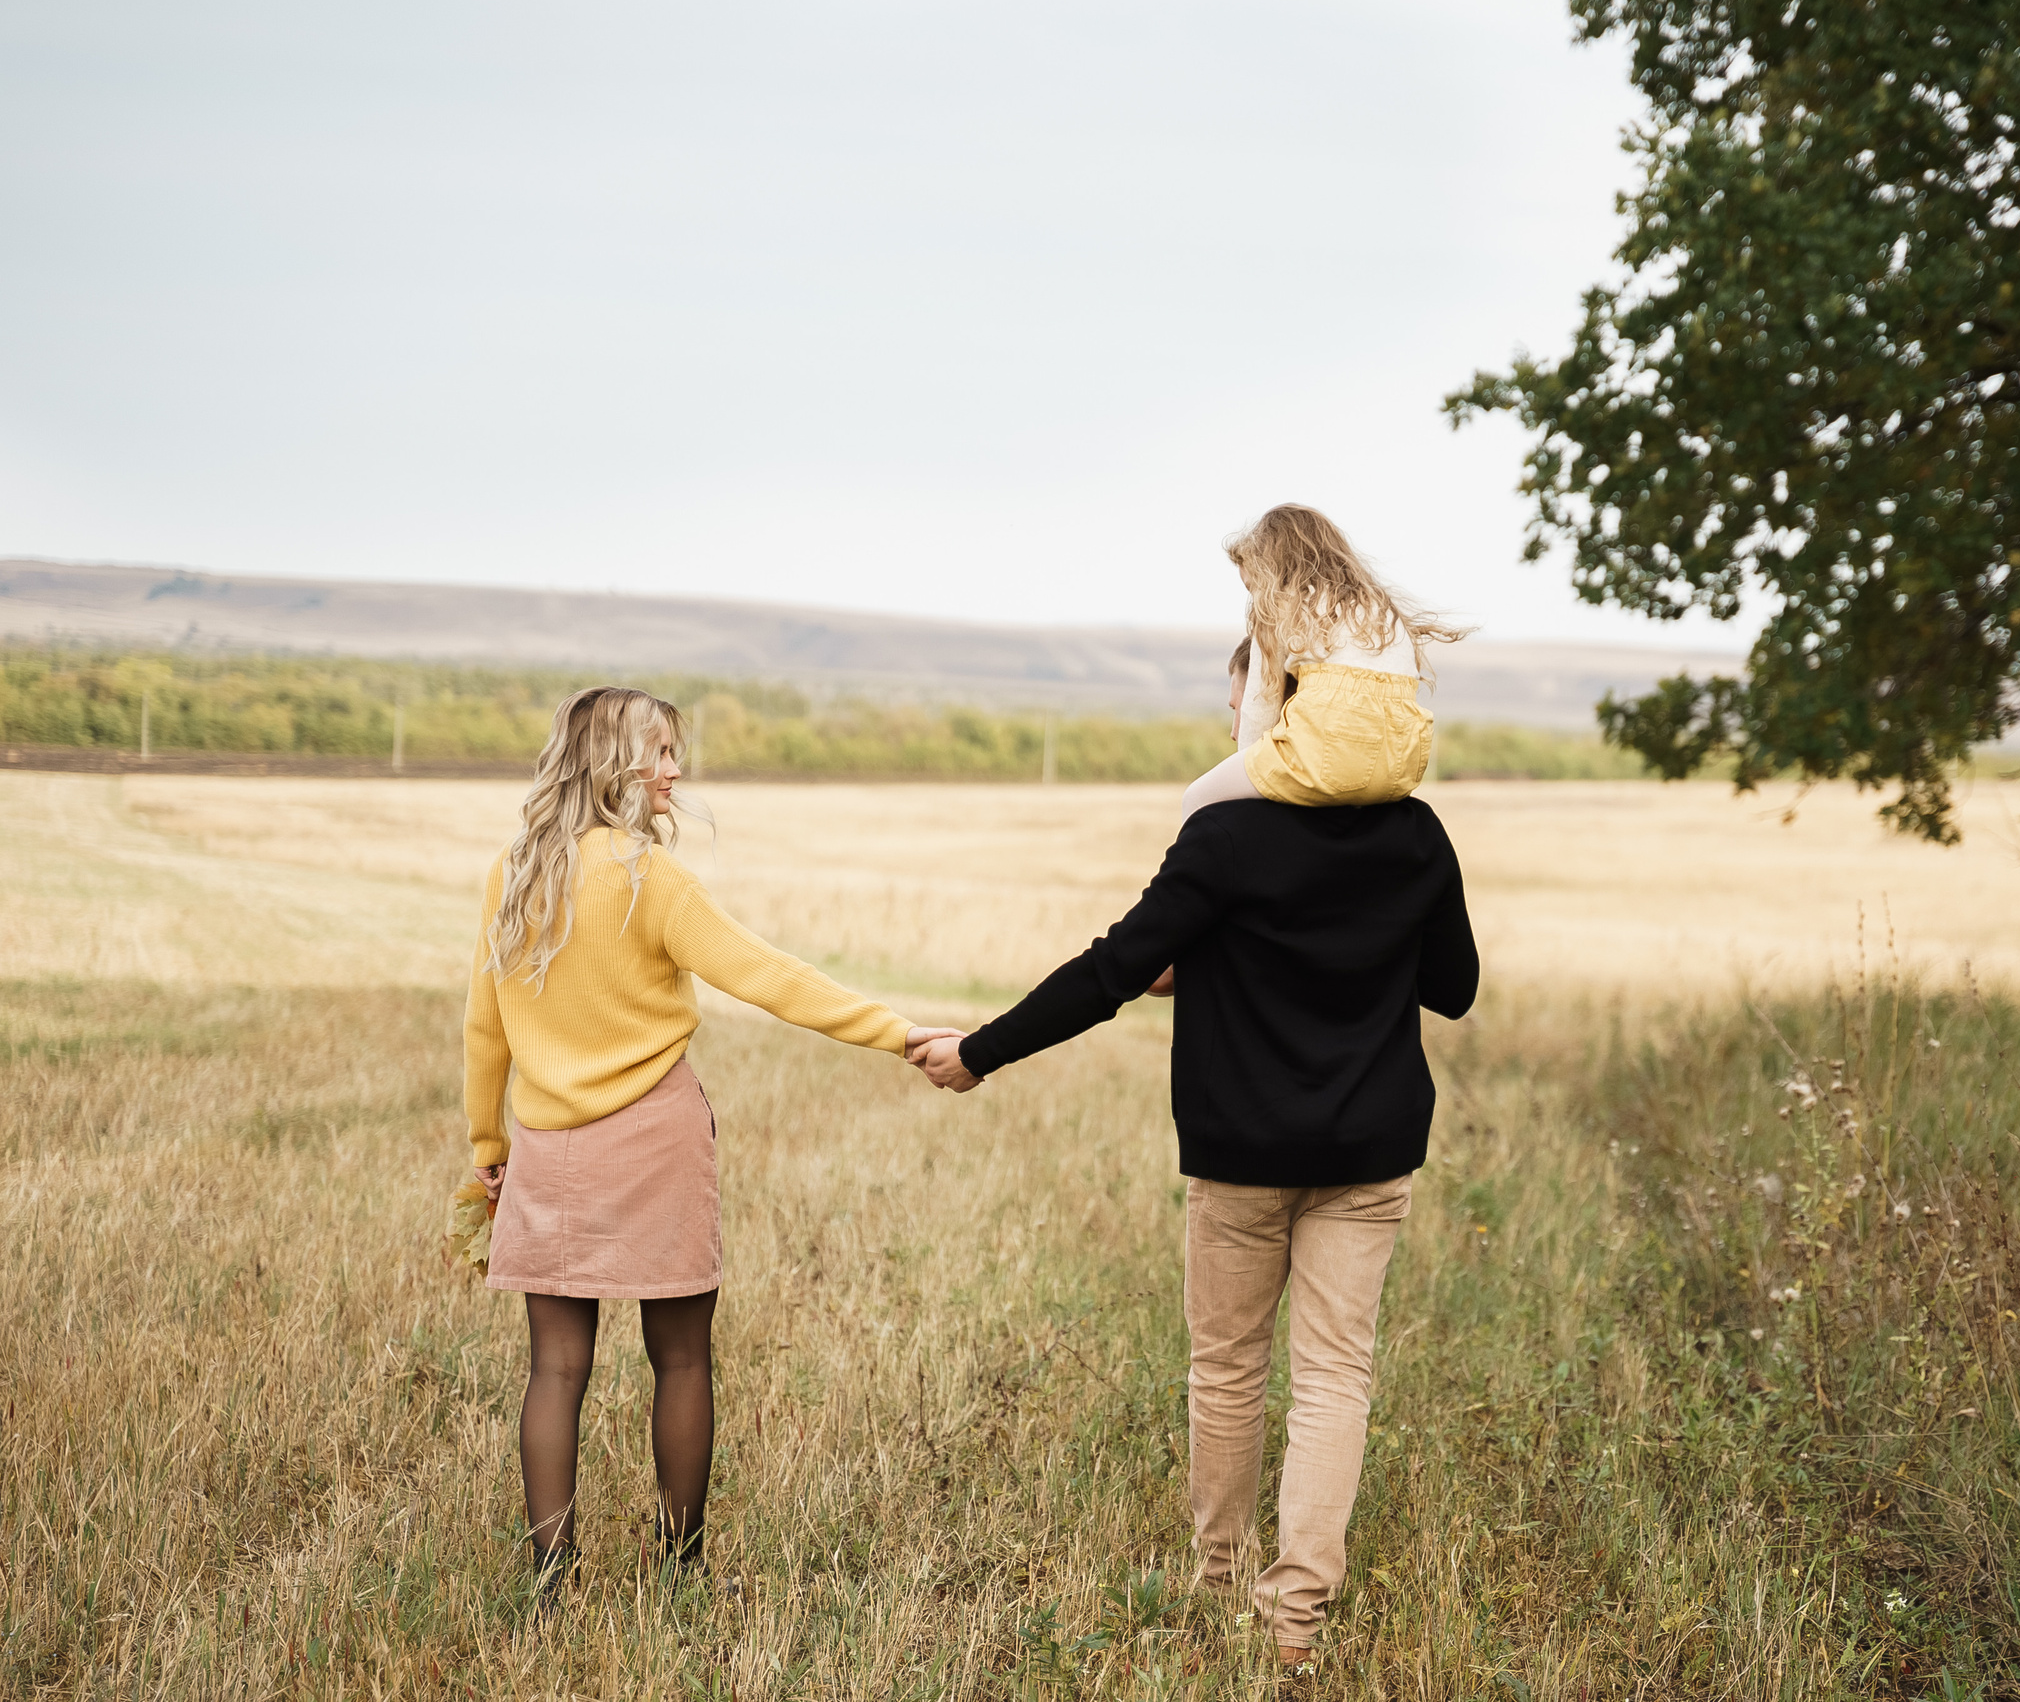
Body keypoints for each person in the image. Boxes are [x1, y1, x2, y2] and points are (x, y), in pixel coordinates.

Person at [911, 723, 1480, 1670]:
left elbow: (1111, 971)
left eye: (1239, 702)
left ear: (1281, 708)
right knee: (1336, 1374)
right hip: (1371, 1147)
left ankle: (1218, 1586)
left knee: (1227, 1369)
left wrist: (980, 1051)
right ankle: (1295, 1623)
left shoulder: (1222, 833)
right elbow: (1453, 988)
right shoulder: (1415, 832)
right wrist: (1354, 946)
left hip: (1242, 1147)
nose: (1231, 726)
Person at [464, 686, 958, 1601]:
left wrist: (489, 1140)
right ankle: (680, 1578)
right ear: (617, 763)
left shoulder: (515, 871)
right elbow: (771, 977)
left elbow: (483, 1025)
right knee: (682, 1359)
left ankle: (549, 1579)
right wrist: (896, 1031)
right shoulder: (653, 881)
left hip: (548, 1147)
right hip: (654, 1135)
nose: (674, 772)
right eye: (661, 754)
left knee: (554, 1368)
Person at [1177, 505, 1464, 823]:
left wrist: (1248, 768)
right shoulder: (1383, 612)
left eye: (1251, 586)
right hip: (1398, 768)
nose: (1254, 597)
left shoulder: (1282, 605)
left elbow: (1262, 701)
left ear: (1271, 570)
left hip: (1323, 757)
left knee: (1198, 797)